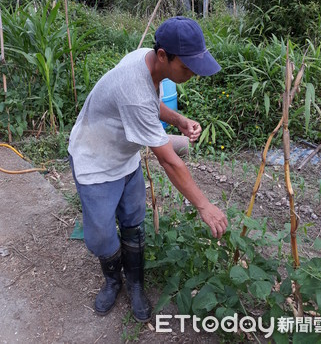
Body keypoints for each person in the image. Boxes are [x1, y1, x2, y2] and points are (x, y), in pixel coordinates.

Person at [68, 16, 228, 323]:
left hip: (124, 157)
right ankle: (114, 280)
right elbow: (168, 160)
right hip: (95, 161)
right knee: (101, 238)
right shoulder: (133, 86)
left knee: (133, 221)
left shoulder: (147, 59)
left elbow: (150, 102)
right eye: (187, 66)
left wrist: (179, 120)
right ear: (164, 56)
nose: (193, 73)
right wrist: (204, 206)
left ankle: (136, 285)